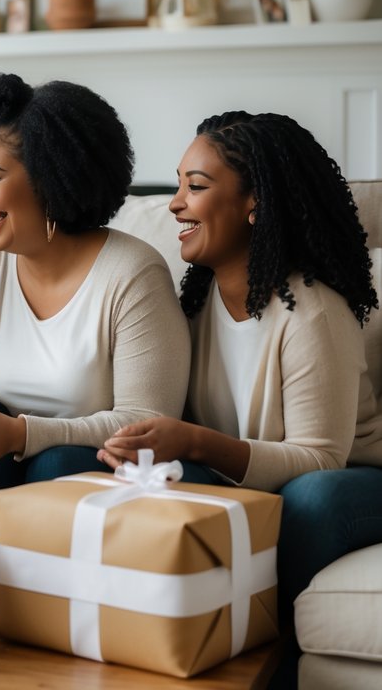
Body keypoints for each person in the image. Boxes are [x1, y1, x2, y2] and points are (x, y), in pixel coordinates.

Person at [98, 112, 382, 686]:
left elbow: (321, 459)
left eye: (195, 188)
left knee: (313, 499)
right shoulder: (193, 308)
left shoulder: (313, 311)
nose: (175, 204)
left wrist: (195, 442)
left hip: (353, 480)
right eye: (177, 184)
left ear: (255, 202)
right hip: (256, 484)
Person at [0, 72, 189, 593]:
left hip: (104, 471)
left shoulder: (133, 272)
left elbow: (147, 422)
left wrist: (21, 433)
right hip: (13, 465)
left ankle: (47, 628)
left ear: (48, 177)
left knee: (61, 461)